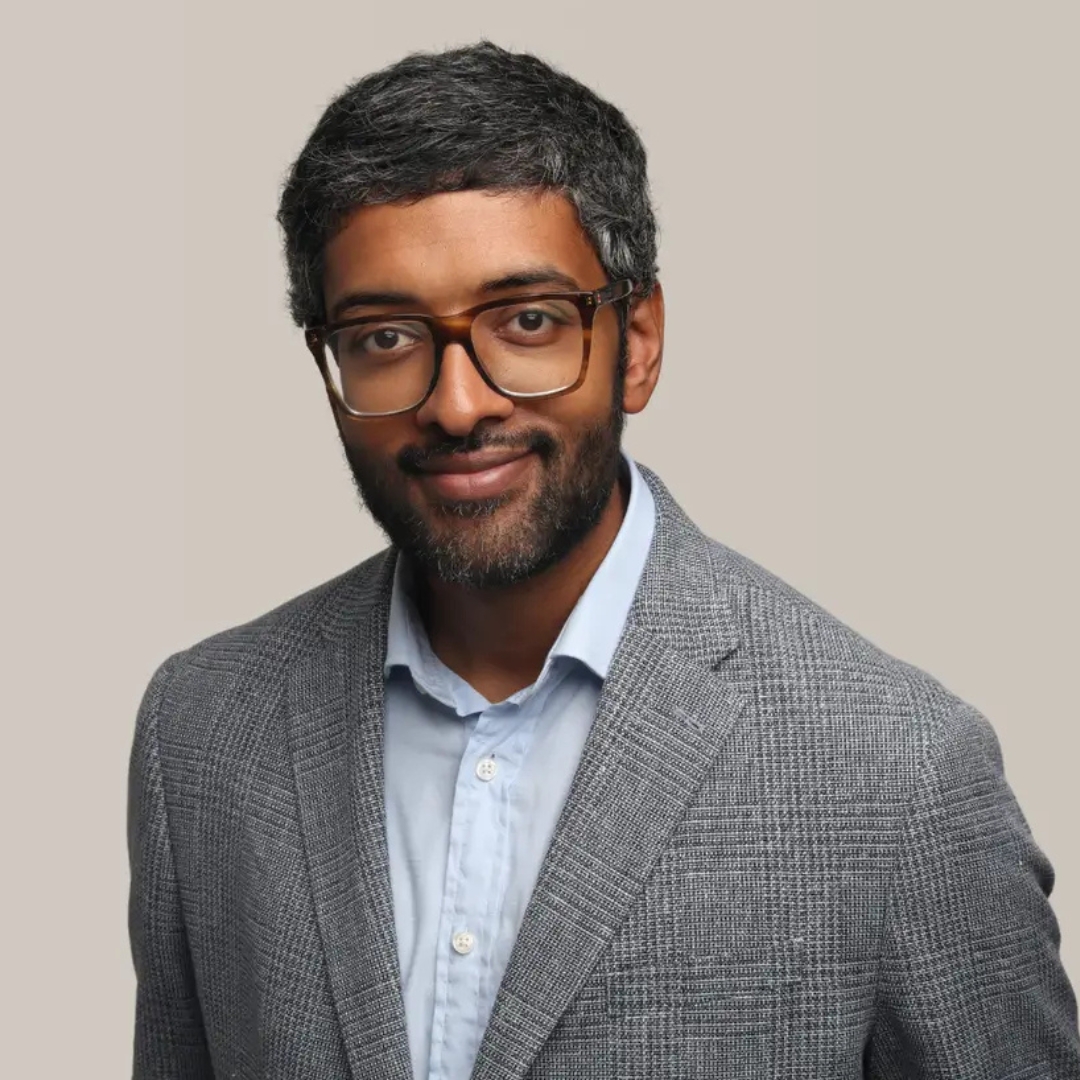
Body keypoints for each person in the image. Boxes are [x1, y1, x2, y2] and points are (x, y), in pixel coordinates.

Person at [127, 40, 1080, 1080]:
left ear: (638, 343)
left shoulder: (896, 774)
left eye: (527, 321)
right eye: (386, 336)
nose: (458, 402)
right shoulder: (203, 733)